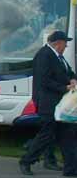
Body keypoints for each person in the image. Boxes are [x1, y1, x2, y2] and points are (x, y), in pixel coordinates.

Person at [20, 30, 77, 176]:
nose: (66, 46)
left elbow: (67, 72)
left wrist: (73, 79)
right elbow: (44, 80)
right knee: (47, 135)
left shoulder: (59, 57)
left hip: (60, 104)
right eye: (65, 43)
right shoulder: (44, 55)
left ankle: (71, 169)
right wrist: (64, 87)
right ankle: (26, 160)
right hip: (48, 102)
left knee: (68, 134)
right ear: (58, 43)